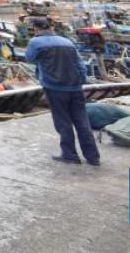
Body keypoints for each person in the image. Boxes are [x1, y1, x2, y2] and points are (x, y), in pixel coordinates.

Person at [25, 18, 100, 166]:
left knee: (63, 121)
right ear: (51, 28)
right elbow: (81, 66)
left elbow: (29, 58)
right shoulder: (67, 42)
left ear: (36, 28)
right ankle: (93, 157)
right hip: (75, 87)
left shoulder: (35, 42)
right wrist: (79, 81)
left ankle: (70, 154)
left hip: (55, 88)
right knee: (82, 121)